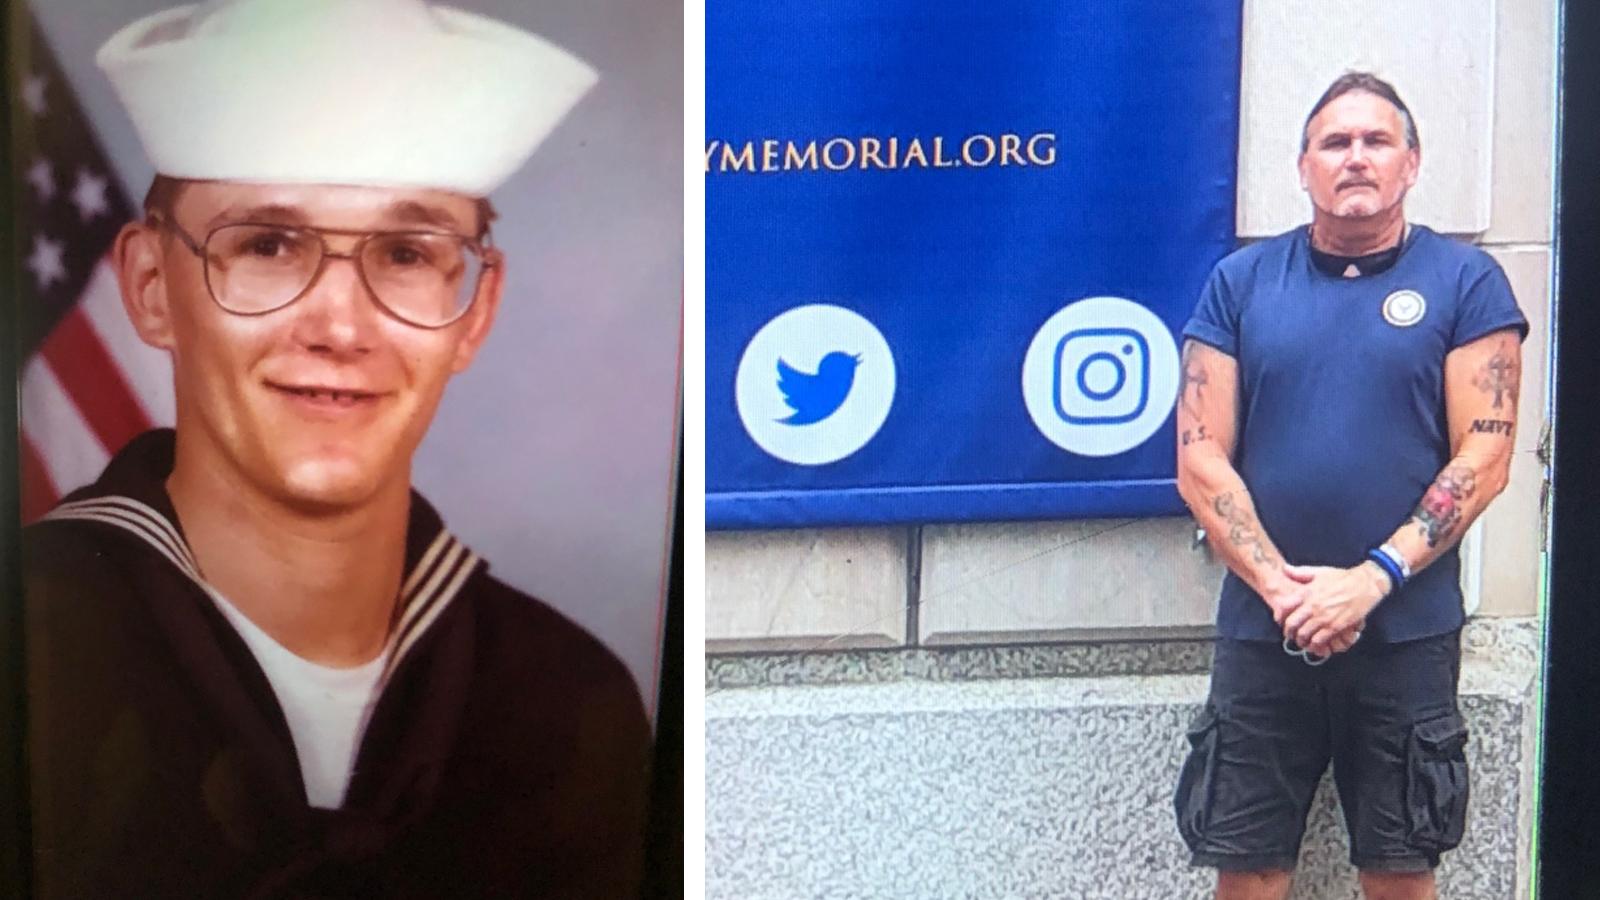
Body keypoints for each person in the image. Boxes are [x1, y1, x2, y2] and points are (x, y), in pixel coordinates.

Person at [22, 2, 651, 897]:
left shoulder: (566, 704)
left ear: (474, 313)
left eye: (404, 252)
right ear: (152, 287)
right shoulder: (35, 644)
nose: (343, 326)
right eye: (270, 245)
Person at [1171, 72, 1526, 900]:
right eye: (1335, 143)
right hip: (1265, 634)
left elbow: (1486, 455)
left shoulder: (1467, 284)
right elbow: (1198, 456)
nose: (1356, 158)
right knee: (1247, 870)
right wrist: (1283, 590)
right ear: (1302, 167)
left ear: (1412, 163)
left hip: (1406, 634)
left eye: (1376, 141)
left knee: (1400, 871)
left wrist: (1369, 582)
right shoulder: (1241, 284)